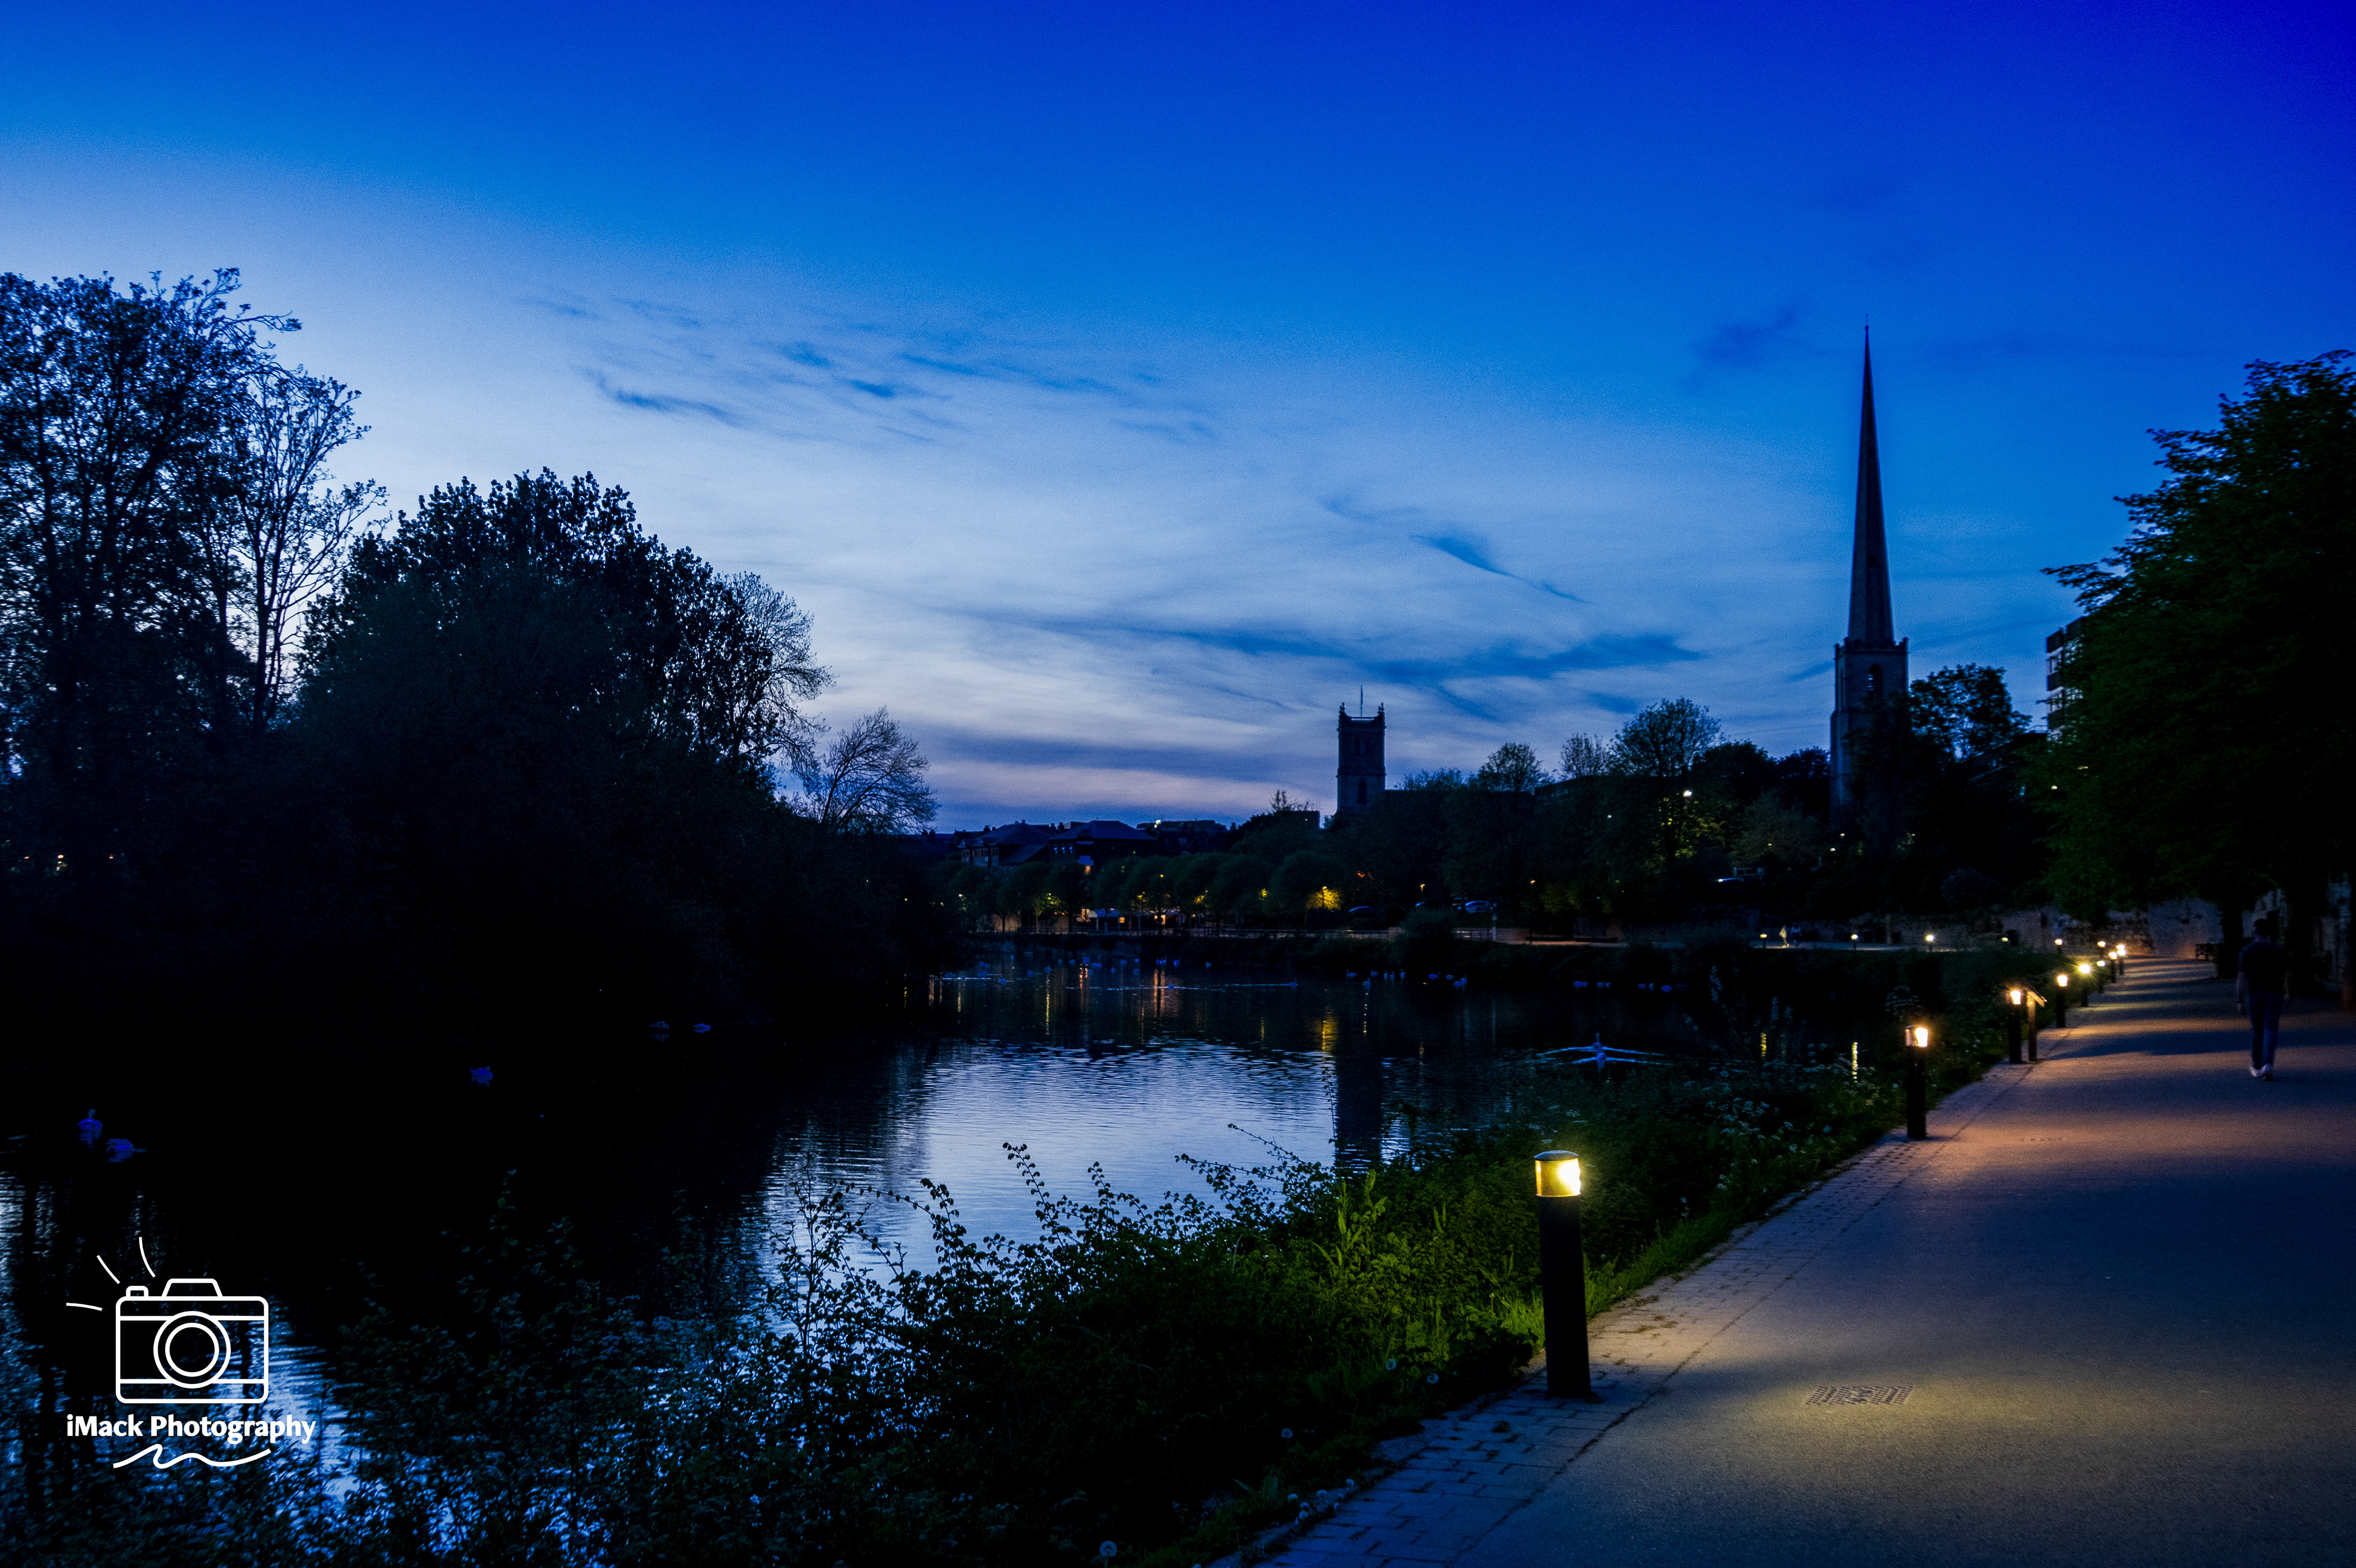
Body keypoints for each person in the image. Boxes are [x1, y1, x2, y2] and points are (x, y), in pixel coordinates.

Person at [2236, 918, 2291, 1080]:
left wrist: (2239, 1000)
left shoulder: (2247, 951)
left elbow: (2242, 977)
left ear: (2255, 932)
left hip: (2255, 993)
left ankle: (2257, 1065)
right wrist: (2287, 992)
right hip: (2275, 992)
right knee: (2271, 1028)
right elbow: (2287, 974)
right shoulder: (2279, 950)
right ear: (2269, 933)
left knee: (2257, 1030)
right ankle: (2268, 1064)